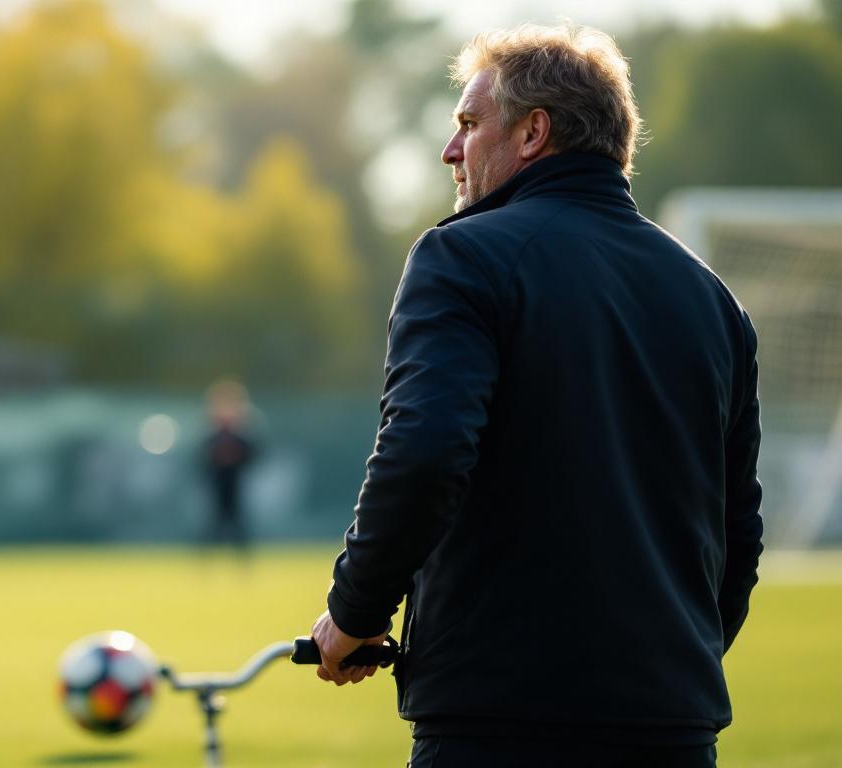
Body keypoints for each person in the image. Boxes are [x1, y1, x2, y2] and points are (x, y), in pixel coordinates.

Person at [308, 24, 763, 767]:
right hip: (673, 727)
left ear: (532, 133)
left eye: (467, 123)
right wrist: (661, 671)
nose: (451, 151)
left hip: (500, 723)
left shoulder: (461, 254)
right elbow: (737, 535)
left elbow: (423, 454)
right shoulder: (714, 300)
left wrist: (352, 614)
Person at [202, 378, 256, 552]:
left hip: (235, 484)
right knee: (214, 522)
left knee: (237, 522)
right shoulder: (213, 436)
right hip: (217, 485)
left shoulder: (241, 437)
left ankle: (242, 556)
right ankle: (206, 556)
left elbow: (252, 455)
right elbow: (203, 458)